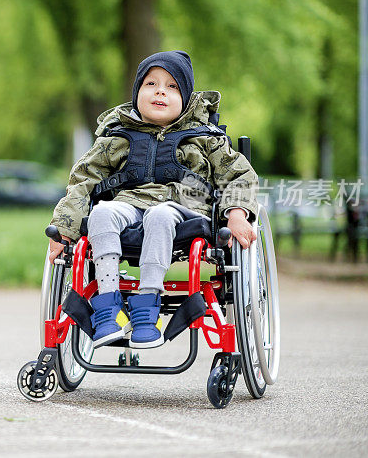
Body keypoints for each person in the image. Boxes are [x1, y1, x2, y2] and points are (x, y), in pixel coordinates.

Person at [48, 50, 258, 349]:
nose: (161, 90)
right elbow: (83, 181)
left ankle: (147, 307)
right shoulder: (116, 138)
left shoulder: (205, 138)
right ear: (137, 94)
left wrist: (237, 214)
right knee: (103, 213)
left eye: (172, 87)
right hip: (130, 206)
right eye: (151, 84)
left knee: (159, 215)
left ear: (185, 99)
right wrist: (64, 229)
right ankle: (107, 308)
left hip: (186, 210)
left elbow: (239, 175)